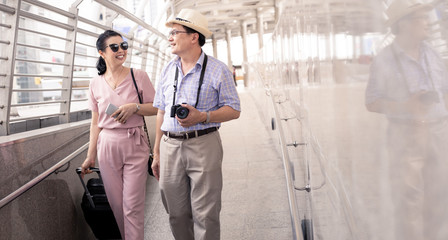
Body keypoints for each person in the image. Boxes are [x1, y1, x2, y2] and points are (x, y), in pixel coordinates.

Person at [151, 9, 241, 240]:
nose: (169, 37)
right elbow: (161, 110)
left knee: (206, 213)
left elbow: (234, 109)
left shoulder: (217, 69)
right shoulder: (168, 69)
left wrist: (203, 116)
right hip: (170, 146)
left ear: (194, 37)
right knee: (176, 213)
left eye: (175, 32)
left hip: (204, 143)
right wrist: (157, 152)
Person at [365, 1, 448, 239]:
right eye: (420, 18)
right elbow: (371, 102)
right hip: (406, 135)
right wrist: (406, 106)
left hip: (439, 131)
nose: (427, 22)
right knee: (408, 201)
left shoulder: (431, 53)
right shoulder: (384, 60)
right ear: (403, 24)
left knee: (438, 197)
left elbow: (445, 91)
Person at [80, 29, 157, 240]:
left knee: (132, 206)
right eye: (114, 47)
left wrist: (135, 107)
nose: (121, 50)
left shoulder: (138, 76)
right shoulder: (95, 83)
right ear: (101, 53)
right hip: (107, 146)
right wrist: (90, 155)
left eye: (123, 46)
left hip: (134, 142)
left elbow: (157, 107)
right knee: (116, 205)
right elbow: (95, 124)